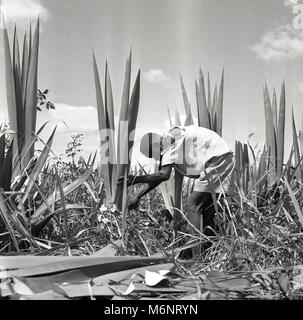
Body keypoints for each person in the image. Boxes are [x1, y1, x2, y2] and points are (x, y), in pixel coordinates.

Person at [118, 125, 235, 255]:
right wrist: (138, 196)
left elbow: (164, 175)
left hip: (216, 161)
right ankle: (208, 252)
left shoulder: (168, 141)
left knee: (192, 206)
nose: (157, 158)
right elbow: (158, 177)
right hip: (222, 158)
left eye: (153, 154)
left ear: (156, 146)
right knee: (206, 213)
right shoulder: (170, 141)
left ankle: (196, 258)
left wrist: (135, 179)